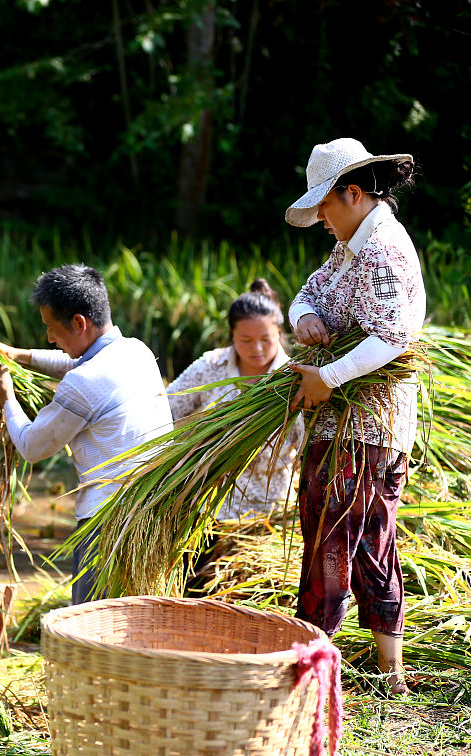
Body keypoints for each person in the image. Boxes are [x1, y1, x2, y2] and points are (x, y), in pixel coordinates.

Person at [284, 137, 422, 695]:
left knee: (336, 537)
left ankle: (323, 671)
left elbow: (392, 337)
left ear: (354, 193)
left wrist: (326, 377)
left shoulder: (383, 248)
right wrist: (306, 318)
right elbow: (307, 293)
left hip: (366, 424)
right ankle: (378, 676)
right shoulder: (349, 244)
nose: (320, 217)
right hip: (344, 420)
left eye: (325, 205)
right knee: (353, 535)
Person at [0, 264, 173, 603]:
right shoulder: (135, 350)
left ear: (79, 323)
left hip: (107, 523)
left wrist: (5, 396)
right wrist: (18, 356)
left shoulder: (83, 384)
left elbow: (31, 446)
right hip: (153, 510)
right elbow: (75, 363)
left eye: (52, 330)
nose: (50, 338)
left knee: (90, 626)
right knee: (136, 621)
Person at [165, 278, 305, 520]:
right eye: (246, 340)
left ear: (279, 333)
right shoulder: (210, 367)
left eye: (265, 339)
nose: (257, 349)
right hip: (206, 510)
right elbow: (166, 411)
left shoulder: (296, 380)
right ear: (232, 334)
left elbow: (308, 447)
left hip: (268, 514)